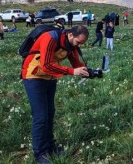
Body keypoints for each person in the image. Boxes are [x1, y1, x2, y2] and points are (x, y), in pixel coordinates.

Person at [21, 26, 89, 164]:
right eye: (79, 42)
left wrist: (88, 71)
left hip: (49, 78)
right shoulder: (50, 38)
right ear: (70, 35)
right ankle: (40, 154)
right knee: (40, 117)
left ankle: (51, 147)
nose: (80, 45)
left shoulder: (70, 45)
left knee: (50, 113)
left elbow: (76, 63)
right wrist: (71, 72)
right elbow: (46, 64)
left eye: (82, 43)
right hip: (33, 76)